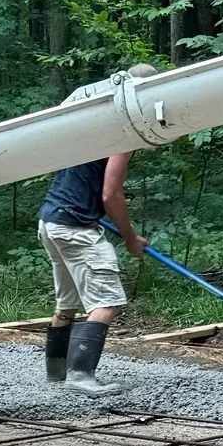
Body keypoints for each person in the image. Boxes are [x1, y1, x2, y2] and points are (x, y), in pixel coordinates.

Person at [37, 146, 145, 393]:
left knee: (67, 302)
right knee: (106, 302)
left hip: (51, 221)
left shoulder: (92, 130)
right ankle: (80, 376)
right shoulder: (123, 138)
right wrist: (130, 238)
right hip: (75, 227)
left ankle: (57, 373)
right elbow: (111, 194)